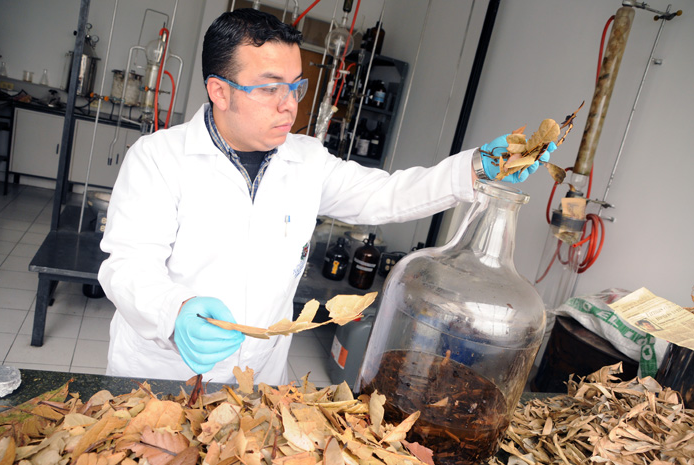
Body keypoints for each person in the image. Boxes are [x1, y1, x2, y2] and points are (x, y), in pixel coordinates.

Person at [98, 8, 554, 385]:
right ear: (219, 90)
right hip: (163, 372)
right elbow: (126, 265)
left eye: (295, 86)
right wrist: (174, 311)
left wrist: (473, 167)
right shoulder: (159, 158)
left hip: (257, 377)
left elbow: (387, 195)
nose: (289, 104)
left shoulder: (306, 160)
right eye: (269, 87)